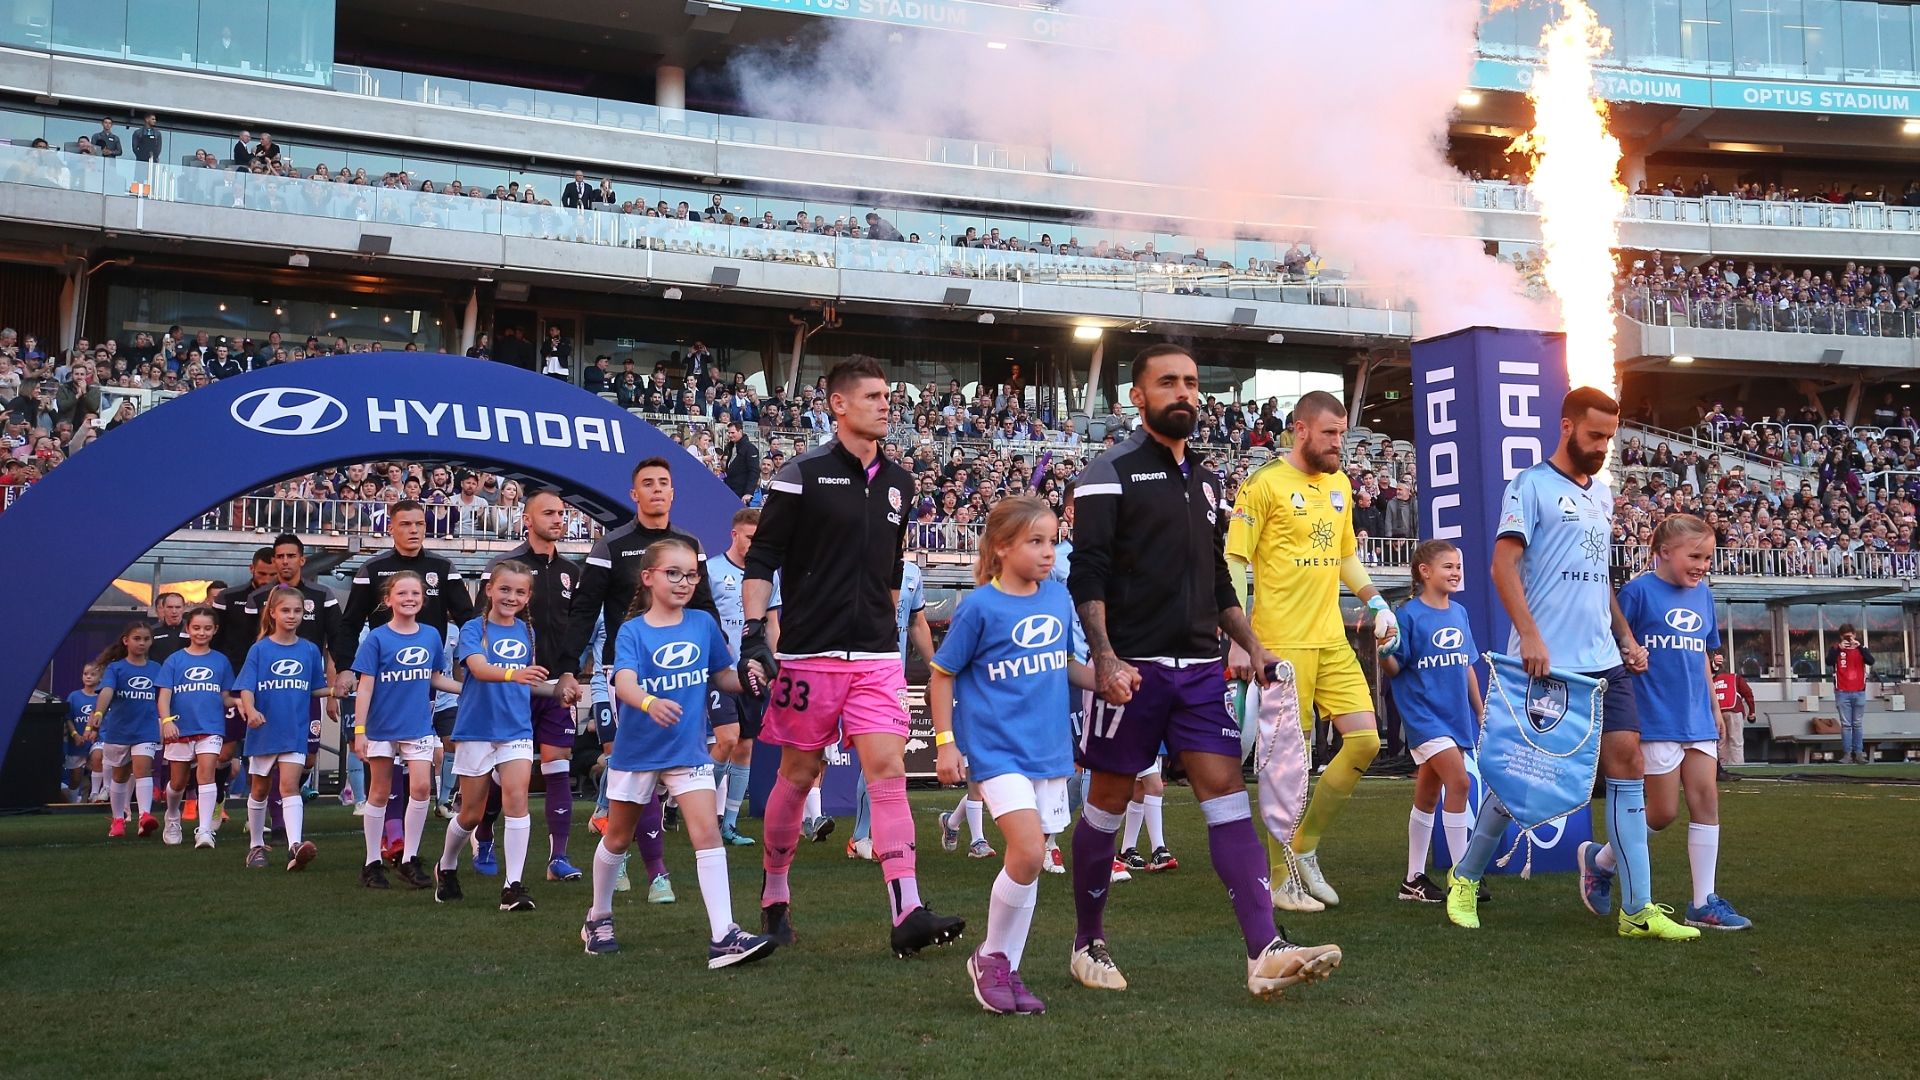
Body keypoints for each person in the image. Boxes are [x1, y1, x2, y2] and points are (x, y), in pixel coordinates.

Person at [1064, 343, 1340, 998]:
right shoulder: (1108, 472)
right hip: (1132, 668)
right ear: (1138, 396)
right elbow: (1089, 573)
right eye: (1168, 383)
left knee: (1226, 796)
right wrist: (1104, 658)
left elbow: (1219, 581)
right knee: (1106, 802)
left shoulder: (1210, 481)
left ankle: (1264, 949)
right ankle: (1087, 941)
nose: (1184, 392)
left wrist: (1253, 643)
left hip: (1200, 670)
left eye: (1190, 382)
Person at [735, 355, 966, 957]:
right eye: (872, 396)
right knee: (798, 774)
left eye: (888, 396)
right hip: (808, 656)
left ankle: (907, 909)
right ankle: (775, 890)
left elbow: (892, 570)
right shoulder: (800, 474)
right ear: (838, 404)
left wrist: (883, 626)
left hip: (875, 659)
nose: (886, 404)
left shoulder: (900, 481)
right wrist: (754, 634)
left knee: (887, 772)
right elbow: (762, 559)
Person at [1449, 387, 1697, 941]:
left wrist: (1626, 635)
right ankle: (1464, 877)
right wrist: (1531, 636)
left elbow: (1596, 579)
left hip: (1604, 661)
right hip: (1548, 664)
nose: (1602, 446)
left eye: (1609, 437)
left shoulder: (1601, 496)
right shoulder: (1530, 485)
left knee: (1627, 762)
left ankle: (1638, 909)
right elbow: (1501, 568)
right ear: (1566, 427)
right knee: (1520, 782)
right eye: (1594, 436)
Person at [1225, 389, 1400, 912]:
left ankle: (1303, 849)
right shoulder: (1262, 486)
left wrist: (1376, 602)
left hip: (1331, 638)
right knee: (1287, 765)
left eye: (1343, 433)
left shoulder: (1342, 486)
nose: (1338, 444)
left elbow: (1344, 555)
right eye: (1329, 433)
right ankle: (1279, 880)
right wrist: (1240, 639)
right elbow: (1235, 561)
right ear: (1300, 430)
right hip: (1281, 642)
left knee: (1366, 742)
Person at [930, 496, 1096, 1014]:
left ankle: (1005, 967)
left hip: (1049, 752)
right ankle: (992, 958)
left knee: (1030, 861)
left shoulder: (1058, 599)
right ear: (1002, 547)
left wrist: (1105, 680)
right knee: (1026, 852)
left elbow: (1064, 663)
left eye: (1053, 540)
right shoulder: (979, 606)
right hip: (998, 751)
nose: (1050, 552)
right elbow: (942, 674)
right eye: (1036, 541)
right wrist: (945, 742)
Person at [582, 537, 779, 967]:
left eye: (691, 574)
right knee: (617, 837)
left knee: (706, 835)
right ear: (648, 578)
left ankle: (723, 934)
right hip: (637, 752)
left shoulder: (703, 624)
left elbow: (722, 675)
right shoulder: (631, 631)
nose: (684, 581)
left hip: (688, 750)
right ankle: (598, 916)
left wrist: (749, 678)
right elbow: (625, 683)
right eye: (674, 573)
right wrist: (651, 703)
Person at [562, 458, 723, 903]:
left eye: (664, 483)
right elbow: (585, 609)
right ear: (634, 494)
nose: (656, 490)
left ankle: (657, 874)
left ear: (674, 493)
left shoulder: (690, 544)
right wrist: (566, 667)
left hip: (686, 674)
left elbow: (705, 606)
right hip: (628, 675)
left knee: (680, 765)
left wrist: (726, 662)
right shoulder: (611, 545)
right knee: (633, 766)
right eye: (647, 484)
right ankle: (635, 862)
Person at [1618, 514, 1752, 931]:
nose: (1702, 565)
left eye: (1708, 558)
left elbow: (1701, 656)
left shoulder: (1703, 596)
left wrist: (1714, 707)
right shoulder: (1638, 593)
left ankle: (1703, 901)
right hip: (1655, 717)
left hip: (1696, 716)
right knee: (1660, 814)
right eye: (1694, 556)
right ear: (1662, 552)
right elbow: (1615, 644)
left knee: (1706, 800)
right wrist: (1629, 653)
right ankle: (1602, 860)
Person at [435, 562, 558, 912]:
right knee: (471, 814)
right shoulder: (474, 628)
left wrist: (558, 692)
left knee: (517, 799)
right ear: (489, 589)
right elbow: (477, 668)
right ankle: (446, 866)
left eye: (520, 591)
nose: (511, 597)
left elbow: (529, 680)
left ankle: (513, 886)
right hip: (476, 728)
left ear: (528, 597)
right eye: (505, 589)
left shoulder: (527, 632)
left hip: (516, 728)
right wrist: (514, 675)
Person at [482, 491, 587, 883]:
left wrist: (571, 673)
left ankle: (558, 858)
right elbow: (484, 624)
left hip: (556, 684)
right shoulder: (506, 567)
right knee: (508, 773)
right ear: (527, 519)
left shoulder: (572, 572)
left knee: (559, 762)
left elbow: (576, 630)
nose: (558, 519)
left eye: (561, 513)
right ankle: (484, 834)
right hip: (512, 686)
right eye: (549, 513)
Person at [1379, 541, 1482, 903]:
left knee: (1427, 792)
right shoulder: (1408, 615)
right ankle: (1463, 875)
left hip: (1455, 716)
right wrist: (1382, 653)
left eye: (1458, 566)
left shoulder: (1460, 613)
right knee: (1459, 782)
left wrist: (1480, 709)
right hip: (1425, 715)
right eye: (1447, 566)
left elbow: (1467, 664)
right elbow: (1395, 667)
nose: (1455, 572)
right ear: (1424, 572)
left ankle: (1413, 880)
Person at [351, 571, 465, 891]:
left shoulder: (430, 635)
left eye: (415, 593)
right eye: (401, 593)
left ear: (423, 599)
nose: (409, 598)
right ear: (389, 600)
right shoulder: (376, 638)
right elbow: (365, 688)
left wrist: (464, 689)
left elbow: (434, 678)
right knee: (379, 793)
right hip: (381, 727)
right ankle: (372, 862)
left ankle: (408, 859)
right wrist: (360, 731)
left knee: (421, 789)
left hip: (417, 725)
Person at [236, 587, 335, 871]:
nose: (292, 616)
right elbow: (246, 687)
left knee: (289, 786)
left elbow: (315, 687)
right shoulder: (260, 648)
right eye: (286, 610)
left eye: (297, 611)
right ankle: (255, 846)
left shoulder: (309, 649)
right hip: (264, 730)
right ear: (273, 613)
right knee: (259, 789)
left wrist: (333, 691)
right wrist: (252, 710)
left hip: (294, 730)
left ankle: (295, 845)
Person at [706, 508, 782, 847]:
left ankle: (729, 823)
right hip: (720, 672)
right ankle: (705, 813)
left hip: (753, 670)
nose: (755, 544)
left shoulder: (768, 576)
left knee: (745, 746)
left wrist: (774, 664)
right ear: (734, 535)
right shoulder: (711, 569)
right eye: (750, 537)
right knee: (726, 739)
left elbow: (773, 624)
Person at [155, 607, 234, 849]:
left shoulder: (221, 661)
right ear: (187, 629)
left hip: (211, 727)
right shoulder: (174, 660)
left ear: (215, 630)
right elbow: (163, 696)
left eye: (207, 628)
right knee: (177, 782)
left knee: (206, 775)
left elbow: (226, 696)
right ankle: (172, 816)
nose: (201, 632)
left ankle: (205, 830)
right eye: (196, 627)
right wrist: (167, 722)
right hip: (180, 729)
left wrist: (242, 702)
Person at [87, 622, 161, 838]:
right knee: (119, 777)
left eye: (146, 639)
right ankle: (118, 819)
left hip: (146, 730)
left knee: (143, 769)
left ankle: (145, 816)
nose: (142, 643)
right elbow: (106, 692)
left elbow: (165, 697)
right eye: (137, 638)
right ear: (126, 640)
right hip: (118, 731)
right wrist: (99, 714)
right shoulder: (116, 668)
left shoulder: (157, 668)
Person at [1828, 626, 1873, 764]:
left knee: (1857, 724)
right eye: (1845, 637)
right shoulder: (1836, 649)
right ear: (1841, 637)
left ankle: (1859, 754)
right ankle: (1847, 754)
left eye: (1850, 636)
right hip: (1842, 691)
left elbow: (1871, 661)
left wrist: (1859, 647)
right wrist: (1838, 648)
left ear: (1854, 635)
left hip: (1859, 690)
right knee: (1846, 724)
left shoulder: (1861, 649)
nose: (1849, 639)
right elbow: (1829, 662)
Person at [66, 664, 102, 803]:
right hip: (77, 744)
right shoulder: (74, 696)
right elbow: (68, 718)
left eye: (93, 674)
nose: (88, 677)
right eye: (85, 673)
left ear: (100, 678)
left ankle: (94, 798)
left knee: (98, 768)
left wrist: (95, 732)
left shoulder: (101, 697)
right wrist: (75, 734)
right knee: (75, 778)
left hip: (95, 742)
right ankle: (74, 803)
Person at [1710, 654, 1754, 768]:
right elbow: (1748, 694)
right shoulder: (1735, 678)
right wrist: (1752, 712)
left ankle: (1723, 767)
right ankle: (1737, 766)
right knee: (1736, 741)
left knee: (1721, 743)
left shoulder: (1712, 681)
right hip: (1734, 710)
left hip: (1717, 713)